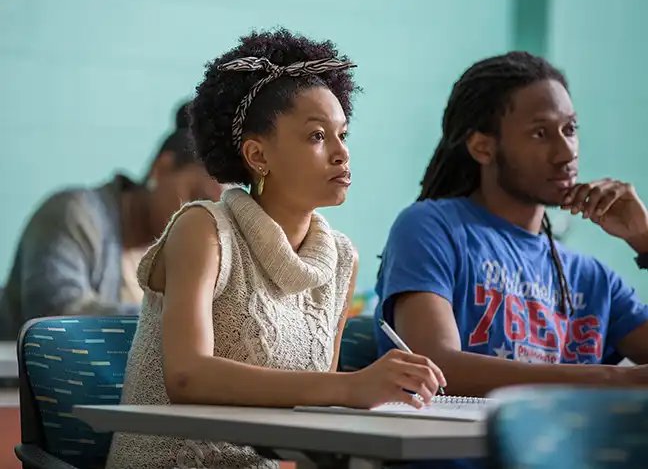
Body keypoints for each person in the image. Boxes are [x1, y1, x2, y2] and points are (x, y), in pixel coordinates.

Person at [105, 28, 445, 469]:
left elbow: (312, 422)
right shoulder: (204, 229)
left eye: (343, 134)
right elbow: (187, 376)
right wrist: (350, 387)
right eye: (317, 137)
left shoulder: (342, 260)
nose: (342, 153)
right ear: (257, 155)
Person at [374, 51, 648, 468]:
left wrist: (645, 240)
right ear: (483, 147)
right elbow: (436, 366)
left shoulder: (592, 277)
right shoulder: (432, 227)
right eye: (540, 134)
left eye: (570, 129)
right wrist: (613, 380)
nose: (565, 153)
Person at [0, 102, 224, 339]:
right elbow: (57, 316)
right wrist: (184, 316)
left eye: (215, 210)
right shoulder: (74, 214)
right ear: (161, 169)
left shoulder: (179, 252)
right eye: (197, 198)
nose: (204, 216)